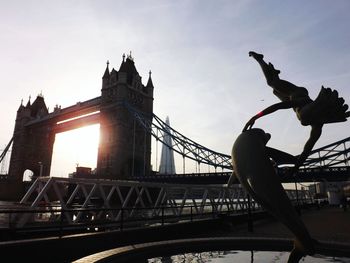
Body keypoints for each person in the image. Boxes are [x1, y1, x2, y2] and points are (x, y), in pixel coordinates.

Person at [244, 51, 350, 174]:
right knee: (271, 83)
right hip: (295, 93)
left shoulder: (317, 127)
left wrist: (296, 168)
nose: (304, 120)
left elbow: (306, 150)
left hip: (291, 99)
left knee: (274, 90)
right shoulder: (303, 102)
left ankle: (275, 73)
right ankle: (260, 59)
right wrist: (255, 117)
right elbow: (278, 106)